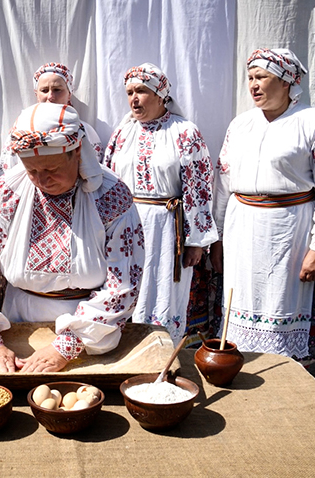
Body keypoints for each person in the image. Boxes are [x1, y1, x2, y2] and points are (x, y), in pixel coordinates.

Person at [0, 102, 144, 373]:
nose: (41, 180)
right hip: (18, 321)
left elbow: (124, 284)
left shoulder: (110, 196)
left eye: (51, 170)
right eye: (32, 170)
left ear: (77, 152)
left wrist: (68, 345)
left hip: (91, 335)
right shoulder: (9, 191)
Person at [211, 49, 315, 362]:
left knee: (286, 302)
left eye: (262, 77)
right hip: (242, 229)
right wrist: (216, 237)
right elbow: (223, 184)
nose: (253, 85)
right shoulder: (240, 125)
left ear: (287, 81)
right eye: (250, 78)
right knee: (240, 301)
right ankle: (242, 369)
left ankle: (289, 375)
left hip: (290, 231)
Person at [102, 63, 217, 343]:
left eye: (141, 91)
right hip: (126, 228)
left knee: (163, 290)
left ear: (160, 94)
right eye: (129, 92)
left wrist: (195, 241)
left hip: (167, 229)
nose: (134, 99)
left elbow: (199, 189)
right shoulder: (123, 133)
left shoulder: (185, 132)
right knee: (124, 289)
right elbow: (107, 181)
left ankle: (163, 352)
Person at [2, 63, 104, 172]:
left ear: (69, 94)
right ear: (36, 94)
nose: (50, 96)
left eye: (57, 90)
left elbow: (94, 168)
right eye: (44, 90)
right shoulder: (21, 127)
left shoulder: (83, 131)